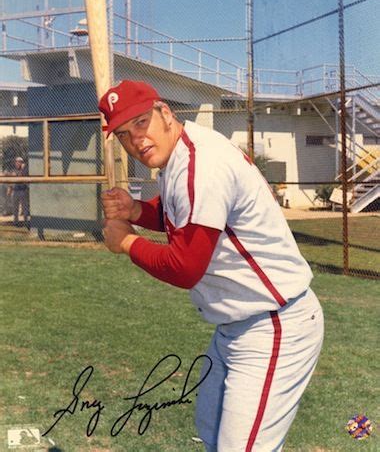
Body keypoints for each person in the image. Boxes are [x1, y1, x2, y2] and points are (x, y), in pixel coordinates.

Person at [99, 80, 324, 451]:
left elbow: (185, 266)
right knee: (213, 431)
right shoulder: (182, 153)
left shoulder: (203, 164)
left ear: (165, 113)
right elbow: (183, 218)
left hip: (275, 326)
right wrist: (136, 211)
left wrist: (126, 242)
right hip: (238, 327)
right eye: (123, 133)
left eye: (141, 123)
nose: (135, 140)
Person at [12, 157, 29, 226]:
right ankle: (16, 222)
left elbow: (23, 177)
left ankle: (26, 222)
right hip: (16, 190)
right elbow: (13, 179)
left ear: (21, 163)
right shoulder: (15, 170)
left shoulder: (25, 170)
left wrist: (22, 168)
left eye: (18, 162)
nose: (16, 163)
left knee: (24, 207)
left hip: (23, 190)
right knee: (15, 207)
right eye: (16, 162)